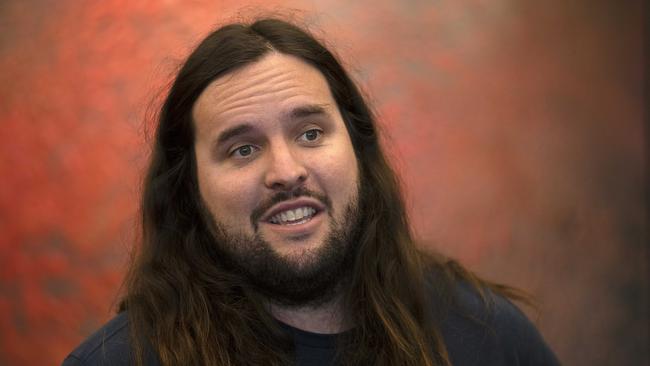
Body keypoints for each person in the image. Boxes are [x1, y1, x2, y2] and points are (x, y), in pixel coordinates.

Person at [63, 17, 560, 366]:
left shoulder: (487, 334)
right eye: (242, 149)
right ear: (189, 190)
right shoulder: (116, 361)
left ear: (359, 150)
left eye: (310, 134)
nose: (286, 171)